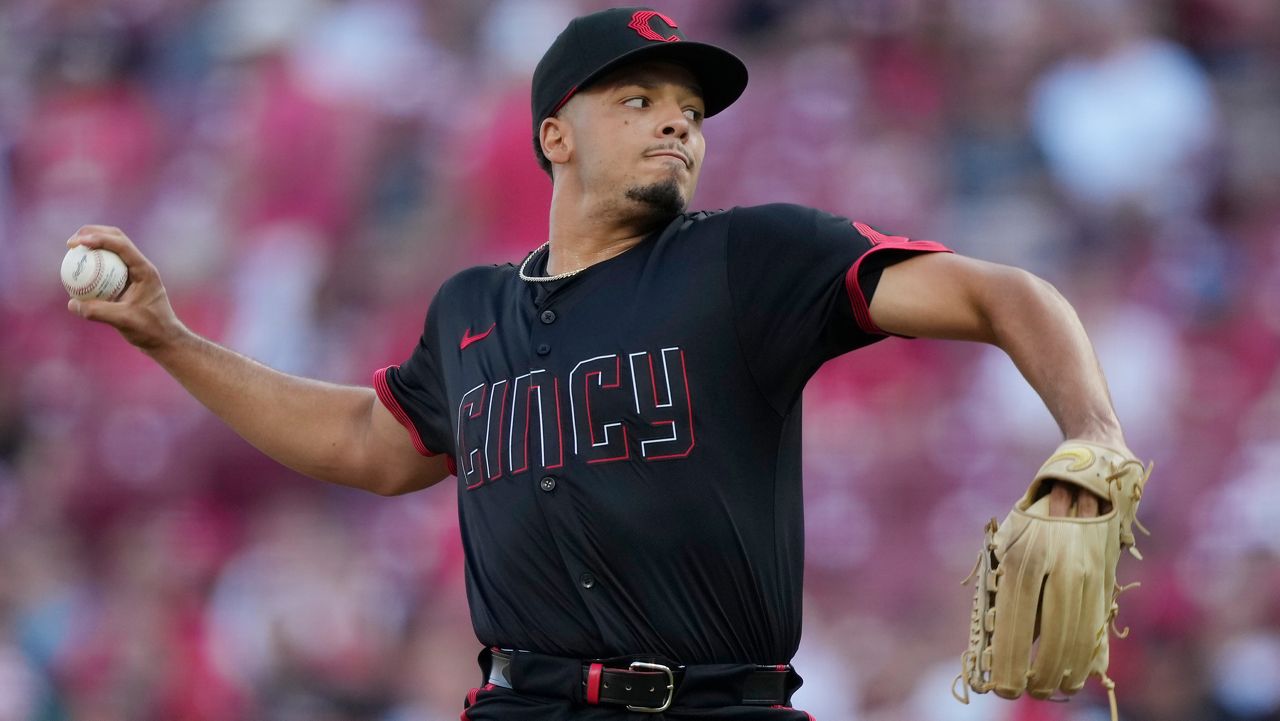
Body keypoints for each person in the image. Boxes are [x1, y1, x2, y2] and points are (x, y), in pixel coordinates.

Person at [66, 7, 1132, 720]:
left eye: (689, 110)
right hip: (520, 702)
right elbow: (367, 441)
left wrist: (1091, 428)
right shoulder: (470, 308)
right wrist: (170, 338)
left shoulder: (748, 259)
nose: (677, 122)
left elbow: (1001, 293)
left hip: (718, 702)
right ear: (554, 136)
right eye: (639, 100)